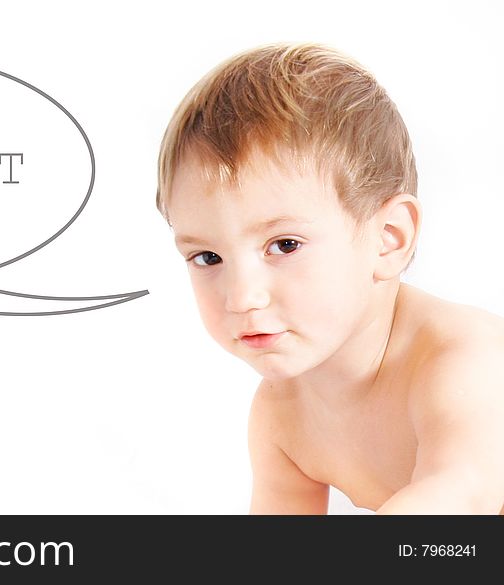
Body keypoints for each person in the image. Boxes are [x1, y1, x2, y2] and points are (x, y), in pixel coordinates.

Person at [156, 43, 504, 514]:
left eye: (284, 245)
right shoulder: (283, 415)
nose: (242, 297)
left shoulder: (464, 359)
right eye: (208, 256)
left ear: (388, 239)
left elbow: (464, 497)